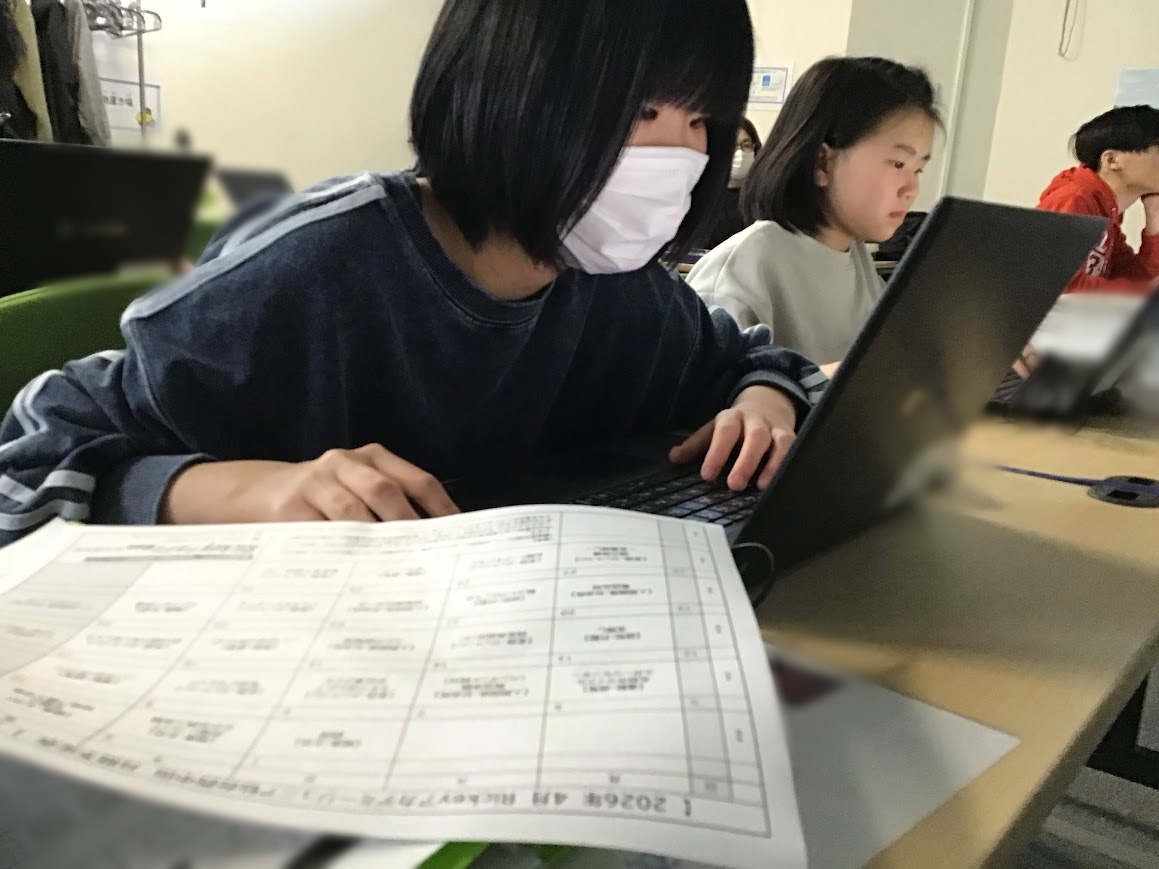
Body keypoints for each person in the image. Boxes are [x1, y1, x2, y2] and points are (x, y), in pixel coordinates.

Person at [0, 0, 825, 546]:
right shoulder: (318, 267)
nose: (679, 154)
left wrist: (764, 403)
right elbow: (34, 454)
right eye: (642, 109)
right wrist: (249, 492)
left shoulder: (625, 288)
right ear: (512, 85)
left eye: (701, 120)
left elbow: (749, 359)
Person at [688, 57, 938, 364]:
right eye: (898, 164)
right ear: (822, 162)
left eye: (918, 170)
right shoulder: (742, 274)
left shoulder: (854, 257)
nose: (912, 189)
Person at [1037, 105, 1159, 294]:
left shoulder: (1107, 209)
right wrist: (1145, 291)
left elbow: (1135, 278)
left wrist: (1154, 218)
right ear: (1111, 160)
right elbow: (1057, 285)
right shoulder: (1074, 198)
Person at [696, 118, 762, 250]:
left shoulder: (763, 197)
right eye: (732, 147)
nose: (740, 153)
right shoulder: (701, 200)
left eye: (746, 145)